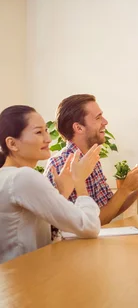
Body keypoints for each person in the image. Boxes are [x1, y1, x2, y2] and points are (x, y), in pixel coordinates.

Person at [44, 94, 138, 225]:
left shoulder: (92, 159)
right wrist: (125, 188)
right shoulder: (60, 165)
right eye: (98, 117)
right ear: (78, 128)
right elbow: (92, 222)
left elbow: (110, 209)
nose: (105, 122)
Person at [0, 105, 101, 263]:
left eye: (46, 130)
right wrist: (79, 182)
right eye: (38, 132)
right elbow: (89, 227)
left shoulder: (9, 176)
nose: (48, 139)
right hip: (25, 278)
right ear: (12, 144)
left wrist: (62, 194)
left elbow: (34, 226)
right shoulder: (23, 177)